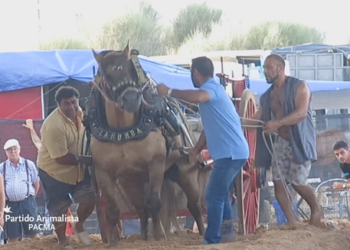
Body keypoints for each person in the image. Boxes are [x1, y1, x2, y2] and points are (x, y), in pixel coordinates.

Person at [156, 56, 249, 244]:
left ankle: (213, 239)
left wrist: (170, 91)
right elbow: (209, 128)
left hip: (229, 154)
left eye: (192, 73)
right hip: (232, 153)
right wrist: (195, 150)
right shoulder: (216, 90)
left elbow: (199, 96)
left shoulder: (211, 89)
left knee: (213, 194)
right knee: (221, 193)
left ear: (196, 73)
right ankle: (227, 233)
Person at [245, 54, 321, 227]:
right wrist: (235, 121)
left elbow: (301, 113)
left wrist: (277, 123)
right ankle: (292, 222)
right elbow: (257, 118)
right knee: (278, 183)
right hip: (280, 142)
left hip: (300, 141)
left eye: (268, 67)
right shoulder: (267, 96)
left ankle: (316, 209)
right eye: (264, 68)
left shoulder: (300, 86)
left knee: (298, 183)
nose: (265, 71)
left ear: (280, 68)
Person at [37, 86, 95, 248]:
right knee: (58, 208)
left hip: (78, 169)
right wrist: (87, 160)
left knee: (90, 198)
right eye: (66, 104)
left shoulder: (80, 113)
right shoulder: (53, 125)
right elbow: (60, 158)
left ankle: (79, 224)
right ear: (58, 105)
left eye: (73, 102)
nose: (71, 107)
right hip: (54, 172)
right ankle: (63, 240)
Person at [0, 139, 40, 243]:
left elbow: (36, 183)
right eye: (9, 150)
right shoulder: (2, 167)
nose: (13, 151)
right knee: (12, 235)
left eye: (15, 149)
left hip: (27, 202)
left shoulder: (29, 164)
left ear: (19, 149)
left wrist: (30, 199)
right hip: (10, 205)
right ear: (6, 152)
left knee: (33, 233)